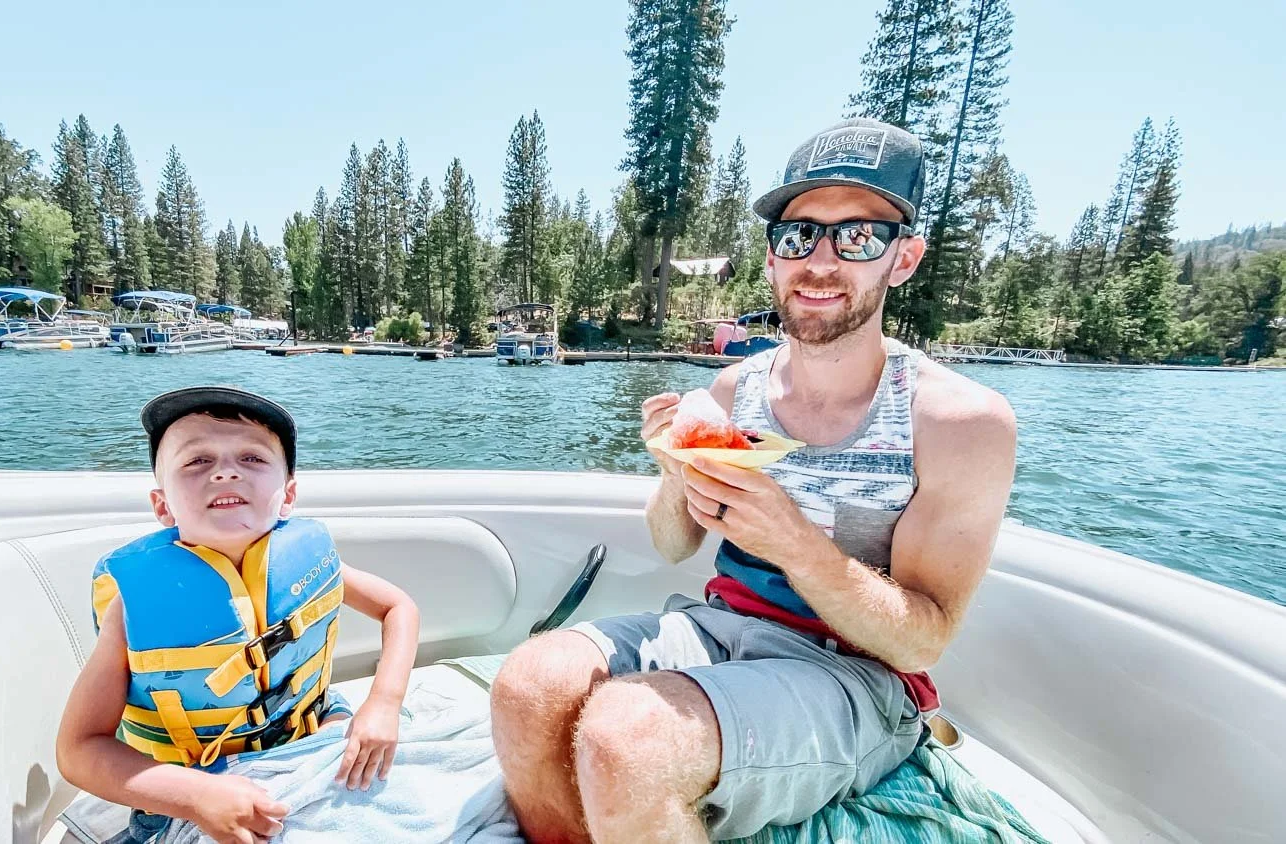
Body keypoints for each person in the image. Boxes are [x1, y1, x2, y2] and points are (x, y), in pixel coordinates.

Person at [489, 117, 1018, 843]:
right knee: (528, 684)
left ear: (904, 259)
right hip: (720, 627)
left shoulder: (959, 423)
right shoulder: (734, 390)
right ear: (773, 259)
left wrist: (798, 543)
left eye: (857, 235)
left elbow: (920, 644)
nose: (821, 260)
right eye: (799, 234)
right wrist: (677, 470)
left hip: (858, 678)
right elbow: (673, 545)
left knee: (626, 739)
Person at [57, 386, 420, 844]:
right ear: (162, 506)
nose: (226, 472)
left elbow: (398, 608)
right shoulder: (131, 606)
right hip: (194, 791)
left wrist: (383, 704)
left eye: (251, 459)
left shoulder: (309, 560)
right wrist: (195, 796)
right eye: (197, 461)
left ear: (287, 496)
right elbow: (77, 750)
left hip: (316, 732)